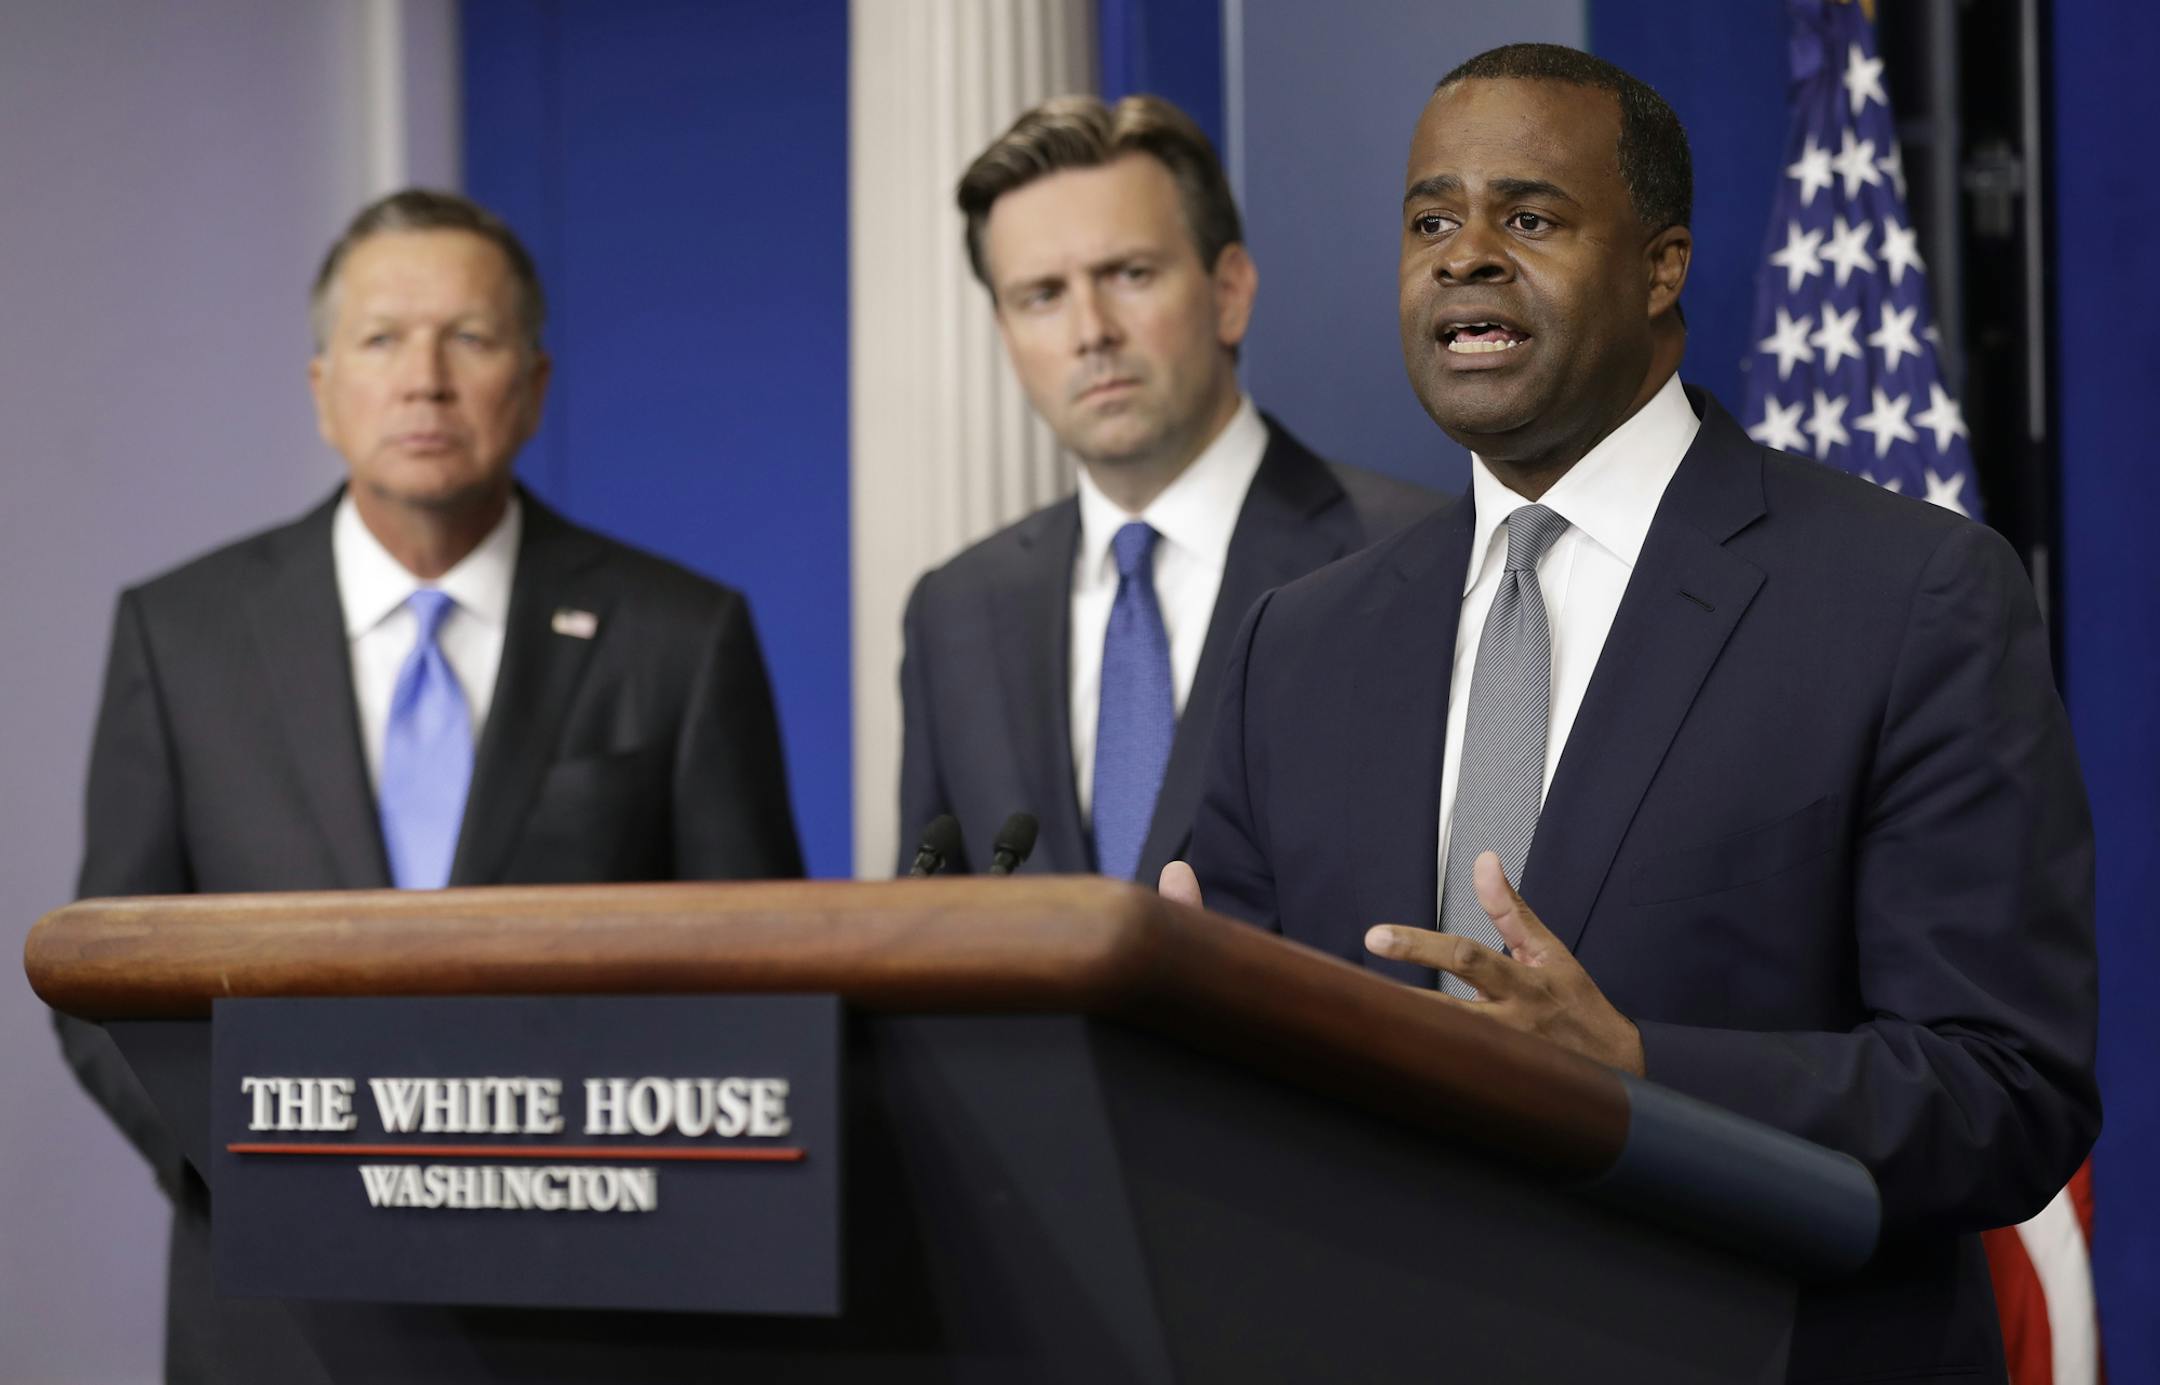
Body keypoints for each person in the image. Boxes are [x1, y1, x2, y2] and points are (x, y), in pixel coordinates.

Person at [1170, 45, 2097, 1383]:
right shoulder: (1298, 645)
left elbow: (2008, 1091)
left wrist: (1633, 1072)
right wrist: (1193, 1023)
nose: (1466, 256)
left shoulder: (1910, 597)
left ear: (1663, 267)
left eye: (1528, 218)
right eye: (1432, 220)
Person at [60, 188, 804, 1382]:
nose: (425, 378)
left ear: (538, 381)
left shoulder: (681, 633)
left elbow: (764, 981)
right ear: (321, 390)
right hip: (274, 1310)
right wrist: (267, 1170)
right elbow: (102, 977)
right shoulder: (179, 634)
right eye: (382, 338)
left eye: (469, 336)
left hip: (594, 1309)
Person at [899, 95, 1441, 881]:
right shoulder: (955, 610)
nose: (1091, 331)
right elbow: (922, 945)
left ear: (1229, 292)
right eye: (1041, 296)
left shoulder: (1413, 557)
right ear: (1006, 335)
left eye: (1129, 274)